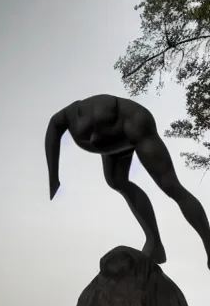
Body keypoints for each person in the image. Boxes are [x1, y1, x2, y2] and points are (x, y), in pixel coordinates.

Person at [45, 93, 210, 268]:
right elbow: (53, 128)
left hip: (136, 126)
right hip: (115, 144)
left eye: (100, 131)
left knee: (171, 186)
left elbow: (105, 111)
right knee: (116, 181)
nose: (93, 138)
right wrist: (53, 177)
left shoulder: (124, 115)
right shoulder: (66, 117)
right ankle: (155, 243)